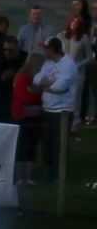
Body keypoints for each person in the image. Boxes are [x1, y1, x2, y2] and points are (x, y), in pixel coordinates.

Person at [33, 37, 78, 183]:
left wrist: (46, 85)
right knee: (47, 143)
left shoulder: (68, 64)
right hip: (47, 109)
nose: (43, 51)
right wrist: (48, 83)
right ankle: (48, 172)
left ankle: (58, 175)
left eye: (45, 48)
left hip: (62, 111)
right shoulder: (48, 63)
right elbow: (36, 79)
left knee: (59, 144)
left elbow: (60, 87)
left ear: (52, 49)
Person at [12, 53, 45, 184]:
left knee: (31, 146)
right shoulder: (22, 78)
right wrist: (37, 92)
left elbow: (39, 96)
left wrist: (35, 92)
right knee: (22, 147)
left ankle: (29, 177)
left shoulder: (35, 80)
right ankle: (20, 177)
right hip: (22, 117)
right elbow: (26, 97)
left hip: (35, 118)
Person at [61, 0, 92, 131]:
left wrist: (78, 65)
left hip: (78, 72)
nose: (73, 24)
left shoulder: (84, 38)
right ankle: (66, 122)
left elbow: (89, 57)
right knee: (66, 97)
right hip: (66, 72)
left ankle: (75, 123)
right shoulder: (66, 37)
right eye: (72, 23)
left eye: (76, 23)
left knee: (76, 98)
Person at [0, 36, 25, 122]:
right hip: (4, 102)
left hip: (22, 102)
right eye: (5, 49)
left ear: (17, 48)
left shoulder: (26, 59)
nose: (7, 52)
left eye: (10, 50)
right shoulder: (0, 60)